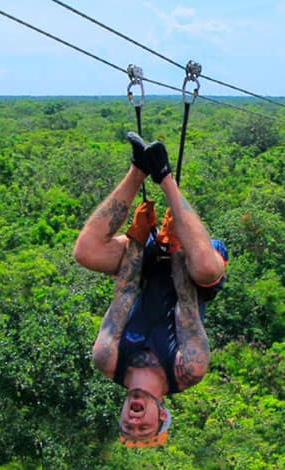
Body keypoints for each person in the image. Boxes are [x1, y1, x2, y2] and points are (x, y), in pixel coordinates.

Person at [74, 133, 227, 448]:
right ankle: (165, 175)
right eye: (142, 429)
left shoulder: (107, 359)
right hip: (191, 271)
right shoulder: (188, 370)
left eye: (128, 427)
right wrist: (176, 246)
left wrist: (137, 236)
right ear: (161, 415)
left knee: (86, 253)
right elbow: (186, 304)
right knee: (207, 268)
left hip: (142, 268)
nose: (133, 422)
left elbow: (124, 294)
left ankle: (139, 168)